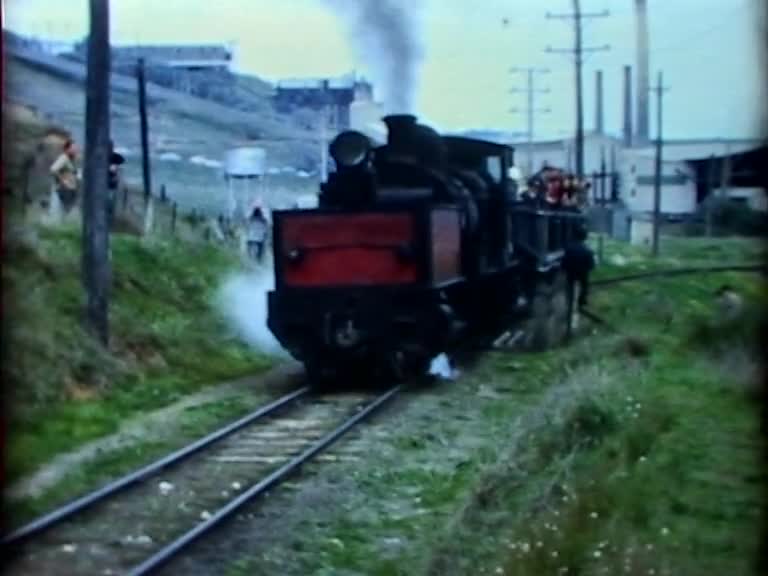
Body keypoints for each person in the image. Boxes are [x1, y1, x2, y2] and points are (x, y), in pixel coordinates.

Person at [563, 224, 595, 311]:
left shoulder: (568, 248)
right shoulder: (588, 250)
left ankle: (569, 302)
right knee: (585, 285)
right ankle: (582, 301)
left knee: (569, 286)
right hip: (583, 273)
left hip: (571, 273)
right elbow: (591, 266)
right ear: (585, 237)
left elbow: (564, 263)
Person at [50, 138, 79, 213]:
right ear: (67, 149)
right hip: (64, 190)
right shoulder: (63, 158)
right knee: (65, 210)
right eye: (73, 148)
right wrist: (63, 181)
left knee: (69, 210)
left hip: (70, 189)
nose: (75, 150)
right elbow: (53, 169)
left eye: (75, 148)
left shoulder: (71, 160)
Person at [107, 140, 125, 223]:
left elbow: (121, 159)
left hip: (111, 185)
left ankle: (109, 221)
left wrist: (115, 166)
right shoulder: (101, 157)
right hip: (104, 185)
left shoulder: (113, 157)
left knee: (110, 205)